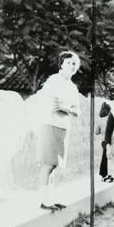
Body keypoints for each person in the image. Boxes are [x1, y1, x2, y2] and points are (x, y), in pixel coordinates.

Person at [37, 50, 81, 211]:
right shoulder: (53, 81)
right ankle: (44, 201)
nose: (71, 65)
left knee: (54, 166)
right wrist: (64, 109)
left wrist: (66, 109)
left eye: (74, 63)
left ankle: (50, 199)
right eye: (68, 62)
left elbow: (77, 111)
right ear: (61, 64)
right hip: (49, 124)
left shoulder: (72, 87)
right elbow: (50, 104)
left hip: (63, 127)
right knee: (48, 164)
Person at [95, 100, 114, 182]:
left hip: (104, 141)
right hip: (112, 140)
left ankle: (103, 174)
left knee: (104, 157)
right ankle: (110, 174)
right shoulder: (112, 118)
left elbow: (96, 132)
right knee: (111, 158)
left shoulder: (99, 120)